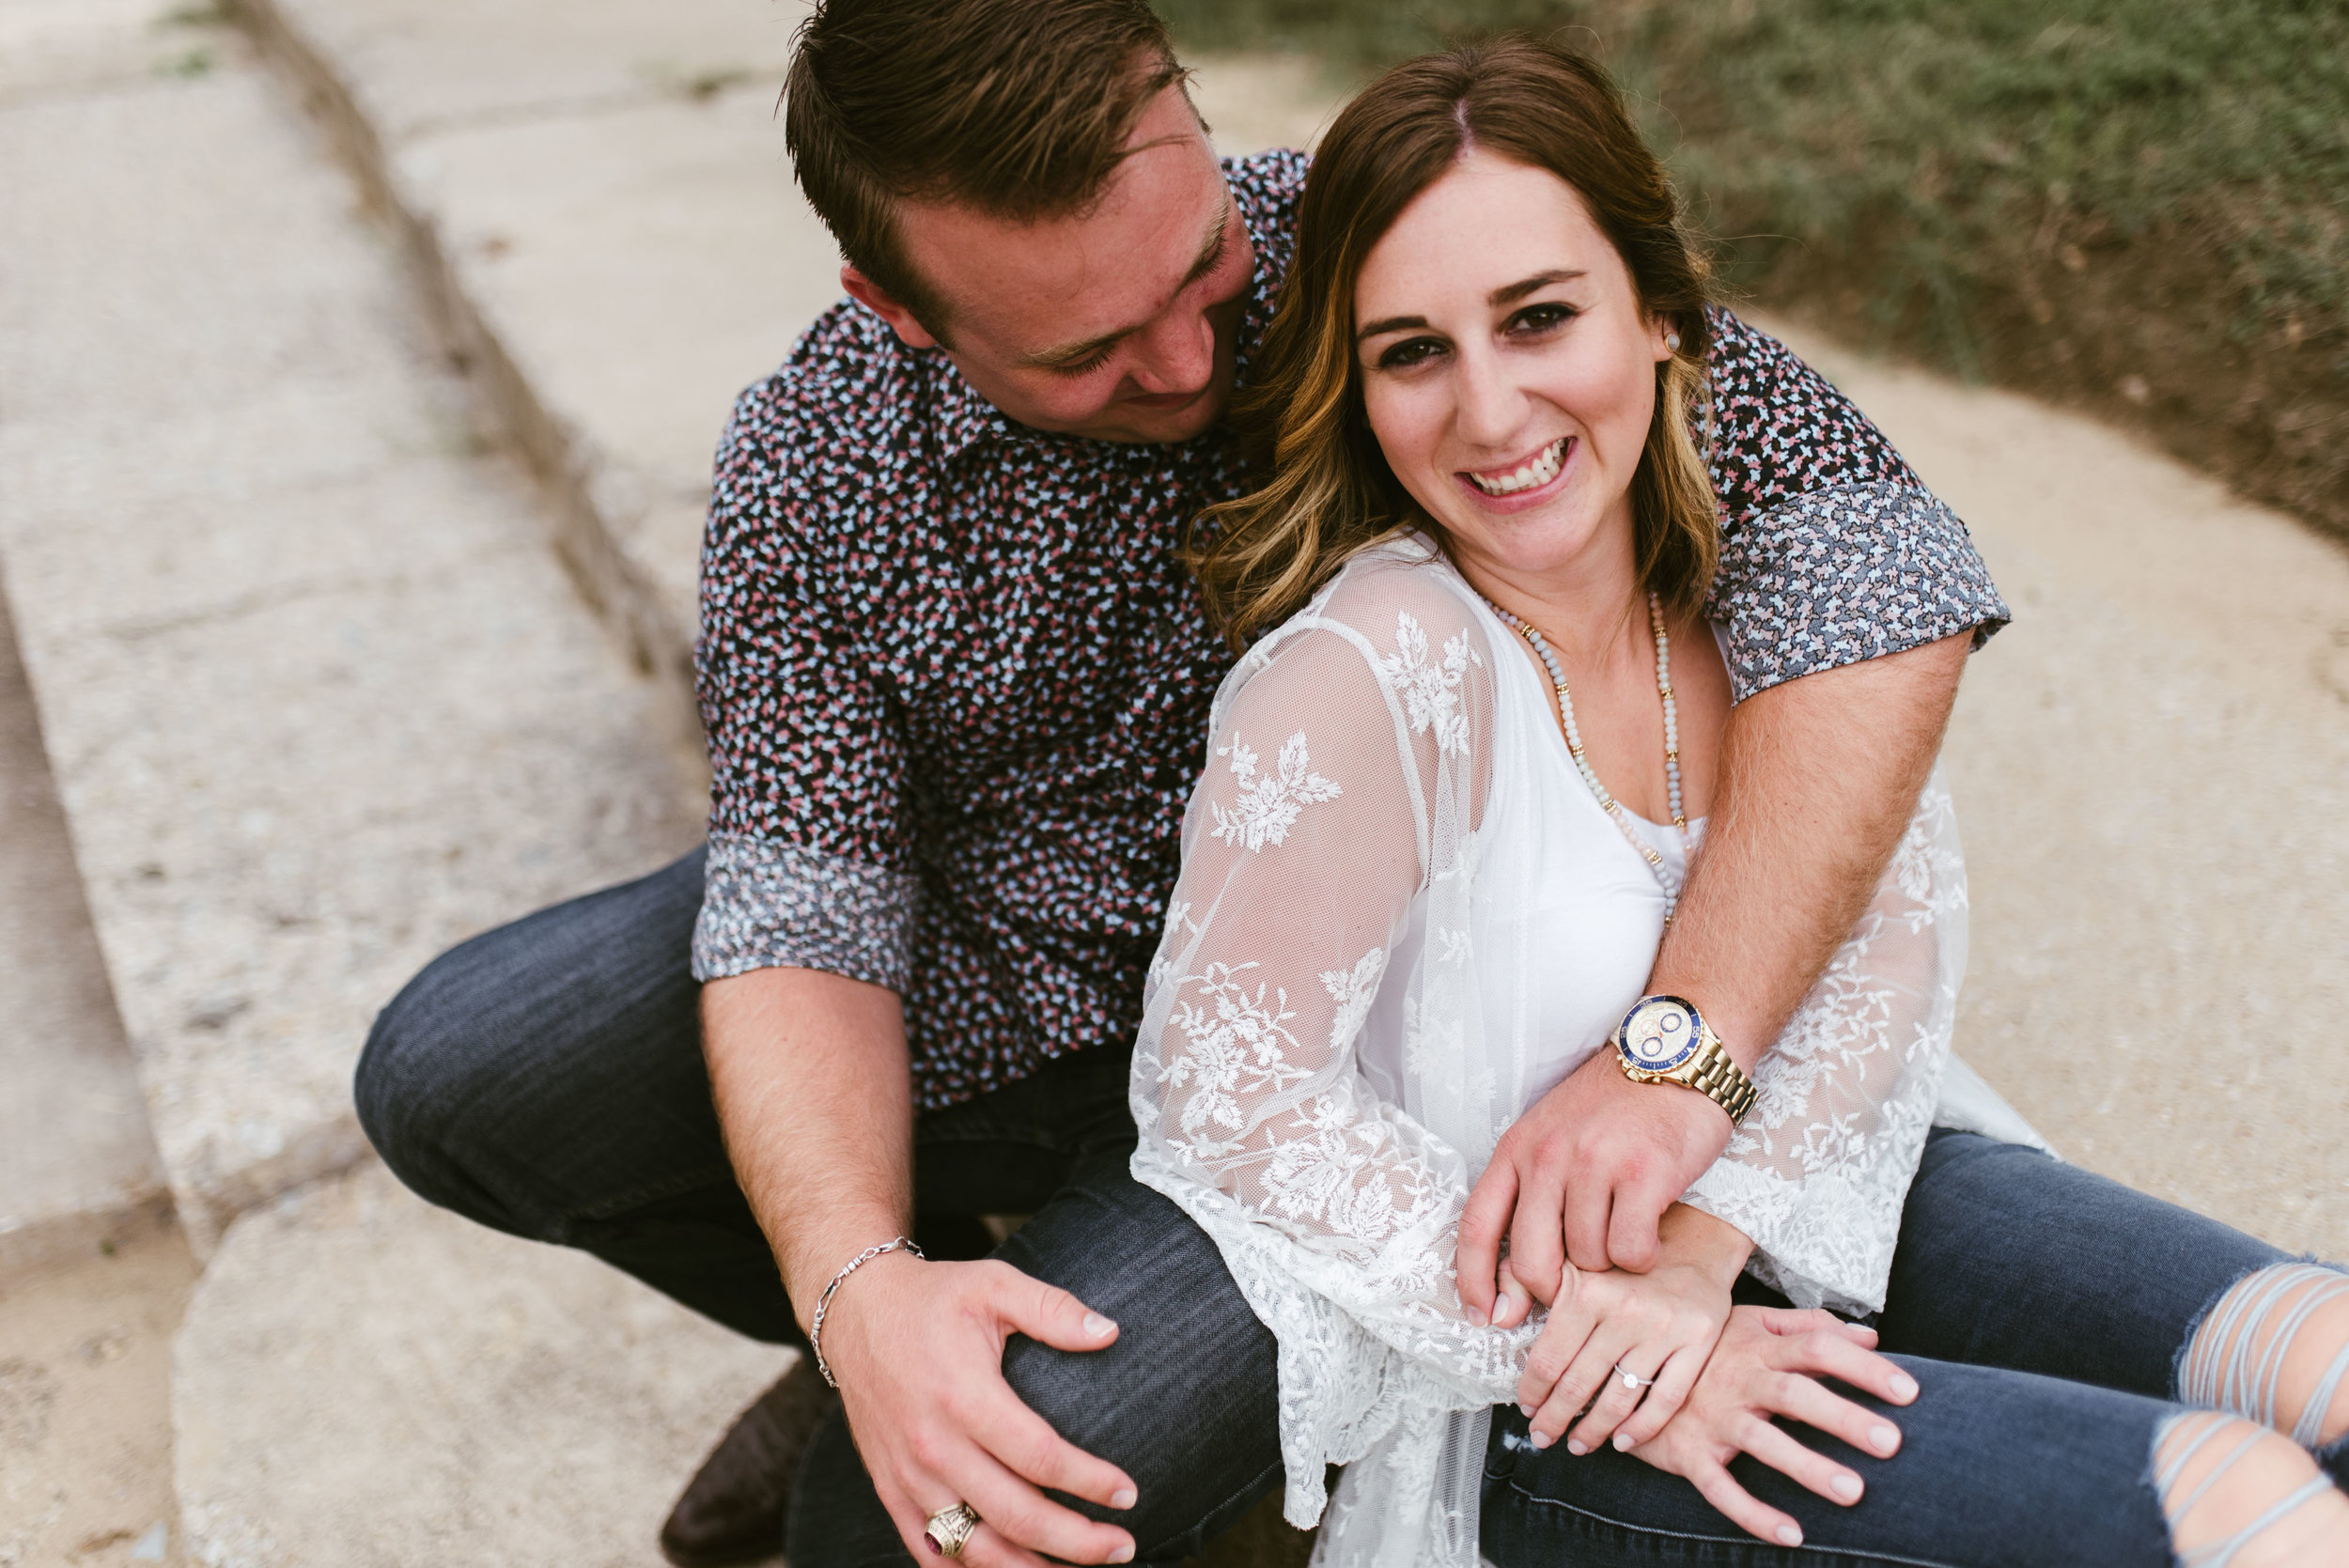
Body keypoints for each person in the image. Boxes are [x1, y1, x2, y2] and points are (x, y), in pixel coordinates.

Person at [337, 1, 2186, 1563]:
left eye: (1199, 275)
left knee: (931, 1525)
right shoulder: (814, 469)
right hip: (995, 1001)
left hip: (1358, 1046)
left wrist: (1676, 1053)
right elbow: (803, 902)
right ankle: (908, 1317)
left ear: (1185, 114)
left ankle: (1077, 1378)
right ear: (894, 305)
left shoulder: (1394, 256)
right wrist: (860, 1288)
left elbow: (1876, 583)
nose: (1194, 357)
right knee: (465, 1067)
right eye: (1085, 349)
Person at [1132, 34, 2349, 1568]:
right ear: (1355, 388)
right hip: (1544, 1388)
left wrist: (1709, 1243)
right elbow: (1229, 1100)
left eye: (1540, 318)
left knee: (2325, 1362)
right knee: (2243, 1507)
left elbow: (1885, 943)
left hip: (1821, 1187)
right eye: (1413, 351)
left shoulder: (1761, 599)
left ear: (1659, 316)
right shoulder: (1374, 667)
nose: (1494, 412)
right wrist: (1611, 1329)